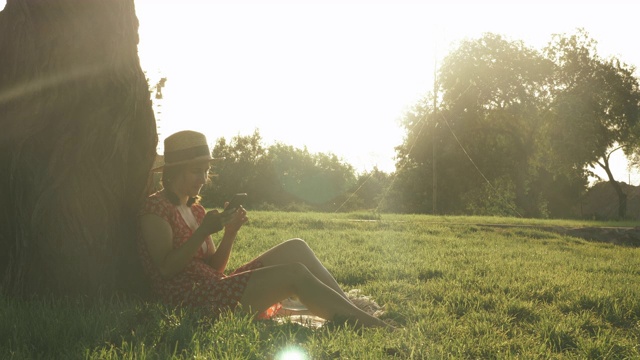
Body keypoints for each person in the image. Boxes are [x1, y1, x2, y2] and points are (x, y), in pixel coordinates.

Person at [138, 130, 391, 329]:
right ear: (173, 172)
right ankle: (374, 326)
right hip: (190, 301)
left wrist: (230, 233)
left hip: (214, 286)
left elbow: (215, 268)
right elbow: (165, 268)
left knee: (296, 247)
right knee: (294, 273)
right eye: (196, 171)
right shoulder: (156, 208)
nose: (203, 179)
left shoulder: (196, 211)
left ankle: (350, 309)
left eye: (206, 171)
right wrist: (203, 232)